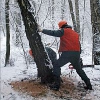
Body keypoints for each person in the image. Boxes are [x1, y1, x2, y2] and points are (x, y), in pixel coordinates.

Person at [38, 20, 92, 91]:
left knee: (56, 65)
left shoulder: (64, 31)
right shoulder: (75, 33)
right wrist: (78, 55)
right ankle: (89, 85)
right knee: (79, 70)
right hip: (76, 53)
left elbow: (53, 33)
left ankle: (57, 85)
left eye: (60, 28)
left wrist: (42, 30)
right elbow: (79, 45)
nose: (60, 29)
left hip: (67, 53)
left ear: (61, 27)